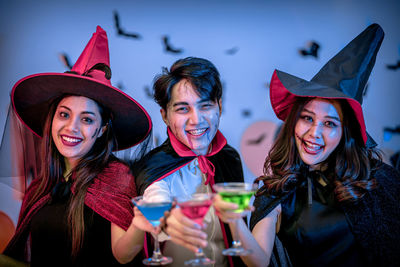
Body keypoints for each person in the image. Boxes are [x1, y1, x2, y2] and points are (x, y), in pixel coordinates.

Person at [1, 26, 156, 266]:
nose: (71, 127)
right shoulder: (40, 187)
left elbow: (124, 254)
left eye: (86, 119)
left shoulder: (116, 177)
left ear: (101, 129)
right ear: (52, 120)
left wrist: (139, 223)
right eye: (64, 115)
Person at [250, 23, 400, 267]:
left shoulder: (380, 181)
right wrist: (233, 220)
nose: (313, 133)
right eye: (307, 118)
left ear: (345, 132)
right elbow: (256, 261)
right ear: (294, 121)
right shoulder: (276, 192)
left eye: (329, 123)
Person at [133, 57, 258, 266]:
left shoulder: (230, 158)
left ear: (219, 106)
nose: (197, 120)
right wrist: (168, 218)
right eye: (183, 109)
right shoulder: (150, 166)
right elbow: (155, 195)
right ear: (164, 115)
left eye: (205, 106)